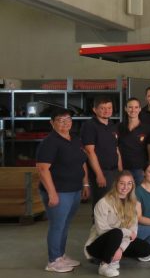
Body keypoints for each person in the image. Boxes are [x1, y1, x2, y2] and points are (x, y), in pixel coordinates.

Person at [37, 108, 89, 273]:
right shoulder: (49, 142)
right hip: (59, 191)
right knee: (57, 225)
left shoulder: (74, 139)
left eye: (68, 119)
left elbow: (82, 162)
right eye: (60, 120)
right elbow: (43, 169)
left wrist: (85, 184)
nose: (65, 123)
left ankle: (60, 255)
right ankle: (53, 261)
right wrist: (52, 193)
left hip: (74, 189)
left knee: (65, 224)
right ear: (52, 123)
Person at [84, 172, 150, 278]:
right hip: (98, 245)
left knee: (146, 248)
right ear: (116, 184)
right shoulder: (103, 202)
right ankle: (104, 265)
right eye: (122, 183)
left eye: (129, 183)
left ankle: (116, 256)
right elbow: (102, 230)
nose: (125, 187)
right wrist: (127, 232)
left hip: (119, 240)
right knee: (117, 232)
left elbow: (133, 232)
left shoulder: (132, 204)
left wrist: (120, 249)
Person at [81, 96, 121, 208]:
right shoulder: (89, 126)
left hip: (114, 171)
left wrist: (120, 171)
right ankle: (97, 226)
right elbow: (89, 151)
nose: (107, 110)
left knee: (114, 206)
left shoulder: (112, 125)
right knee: (102, 207)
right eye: (102, 108)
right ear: (95, 109)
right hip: (102, 172)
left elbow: (116, 150)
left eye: (109, 107)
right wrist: (99, 174)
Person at [118, 98, 150, 185]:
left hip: (140, 170)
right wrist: (120, 169)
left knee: (138, 196)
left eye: (136, 107)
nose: (133, 110)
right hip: (123, 169)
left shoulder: (147, 128)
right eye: (130, 107)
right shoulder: (118, 127)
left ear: (140, 109)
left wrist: (147, 169)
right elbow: (116, 149)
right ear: (125, 108)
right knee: (123, 196)